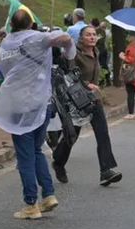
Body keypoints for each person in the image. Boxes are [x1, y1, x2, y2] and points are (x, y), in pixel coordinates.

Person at [0, 9, 73, 219]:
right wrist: (68, 51)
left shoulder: (5, 45)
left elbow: (1, 70)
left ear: (11, 25)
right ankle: (48, 195)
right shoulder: (38, 39)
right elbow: (64, 37)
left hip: (18, 106)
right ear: (30, 24)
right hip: (41, 104)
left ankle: (31, 205)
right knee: (36, 151)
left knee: (25, 156)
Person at [51, 25, 122, 187]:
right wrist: (85, 84)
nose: (92, 37)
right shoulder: (74, 53)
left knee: (102, 134)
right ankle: (58, 161)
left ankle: (106, 171)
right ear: (81, 38)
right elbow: (68, 75)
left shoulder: (96, 52)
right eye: (88, 35)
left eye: (94, 34)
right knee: (71, 136)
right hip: (78, 101)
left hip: (94, 100)